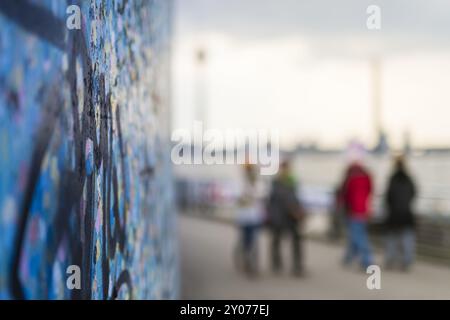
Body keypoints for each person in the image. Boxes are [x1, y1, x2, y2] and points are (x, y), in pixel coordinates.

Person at [266, 160, 305, 277]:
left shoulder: (292, 182)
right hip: (280, 216)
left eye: (287, 168)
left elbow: (295, 199)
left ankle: (297, 265)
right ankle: (276, 263)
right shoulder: (276, 183)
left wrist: (300, 210)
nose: (286, 171)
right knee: (277, 240)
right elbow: (277, 200)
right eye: (284, 168)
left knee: (296, 240)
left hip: (291, 217)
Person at [384, 155, 416, 271]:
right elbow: (414, 193)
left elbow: (388, 197)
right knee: (407, 238)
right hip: (407, 213)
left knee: (392, 238)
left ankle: (390, 259)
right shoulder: (409, 179)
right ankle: (407, 261)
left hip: (394, 214)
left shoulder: (392, 179)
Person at [341, 160, 374, 270]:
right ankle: (348, 257)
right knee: (356, 235)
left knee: (358, 237)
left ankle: (366, 261)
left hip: (353, 211)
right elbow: (370, 192)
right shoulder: (367, 178)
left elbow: (346, 196)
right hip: (364, 210)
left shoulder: (351, 179)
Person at [234, 163, 264, 277]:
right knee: (246, 240)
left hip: (255, 218)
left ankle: (252, 265)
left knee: (254, 241)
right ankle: (246, 260)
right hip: (244, 218)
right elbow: (238, 198)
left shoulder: (258, 184)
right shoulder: (240, 183)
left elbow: (262, 195)